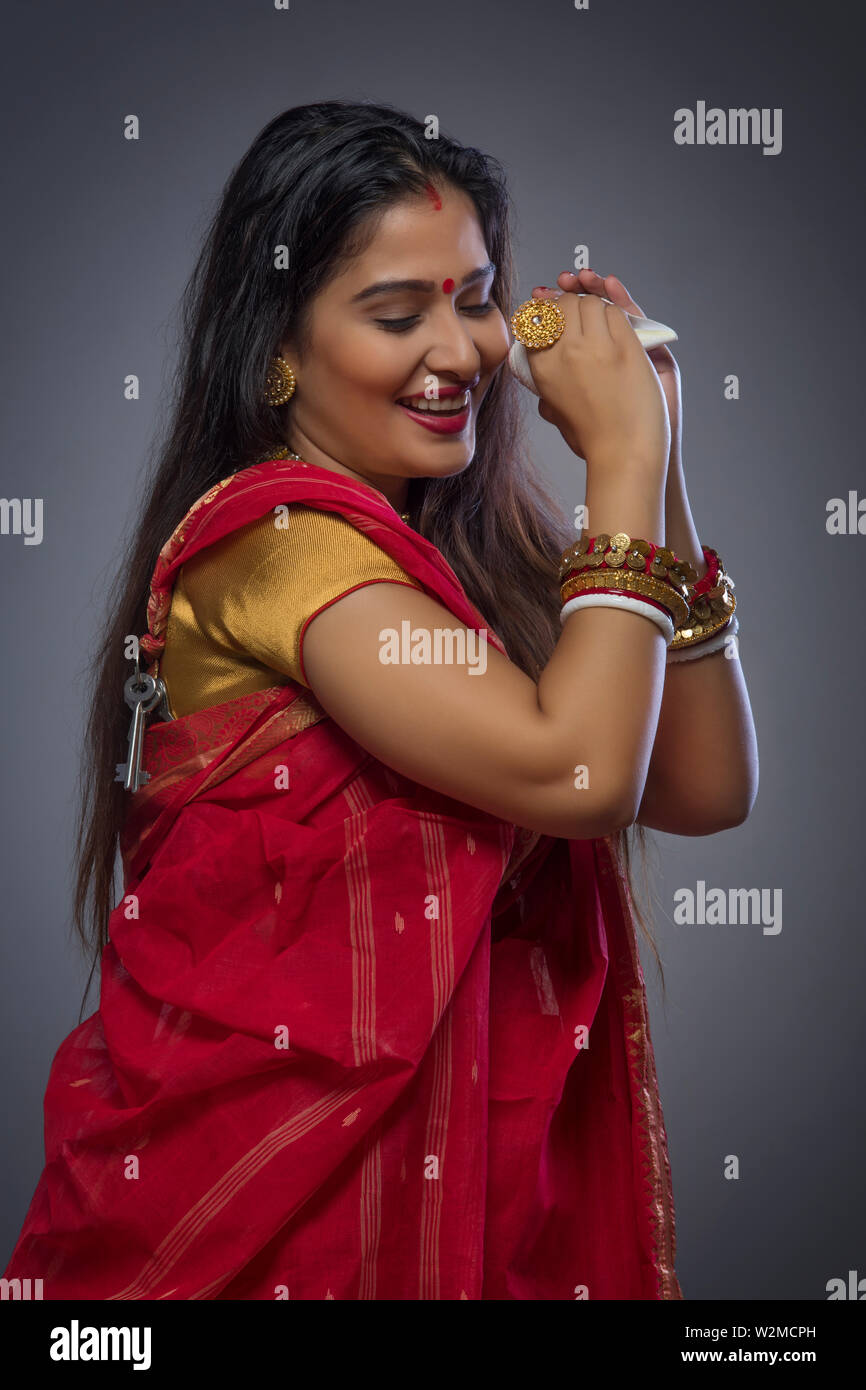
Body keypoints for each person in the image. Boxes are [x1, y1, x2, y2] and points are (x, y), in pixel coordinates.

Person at [3, 99, 757, 1301]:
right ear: (278, 347)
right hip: (261, 1222)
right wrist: (612, 463)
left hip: (476, 1220)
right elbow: (578, 775)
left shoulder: (461, 556)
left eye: (473, 299)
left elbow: (702, 789)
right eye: (397, 313)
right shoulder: (282, 546)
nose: (457, 352)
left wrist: (658, 465)